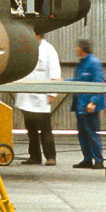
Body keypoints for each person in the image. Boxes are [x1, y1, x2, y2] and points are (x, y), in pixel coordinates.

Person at [15, 32, 61, 165]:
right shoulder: (26, 48)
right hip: (26, 96)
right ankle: (35, 157)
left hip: (41, 98)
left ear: (39, 36)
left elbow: (55, 70)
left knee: (45, 130)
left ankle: (50, 157)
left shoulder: (49, 50)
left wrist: (53, 93)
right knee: (31, 130)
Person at [71, 39, 106, 169]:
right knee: (82, 133)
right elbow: (78, 81)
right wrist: (62, 81)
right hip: (80, 104)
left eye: (77, 47)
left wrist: (93, 102)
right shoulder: (81, 64)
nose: (76, 49)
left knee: (92, 133)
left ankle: (98, 160)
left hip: (88, 105)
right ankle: (87, 159)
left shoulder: (94, 63)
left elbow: (98, 83)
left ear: (82, 48)